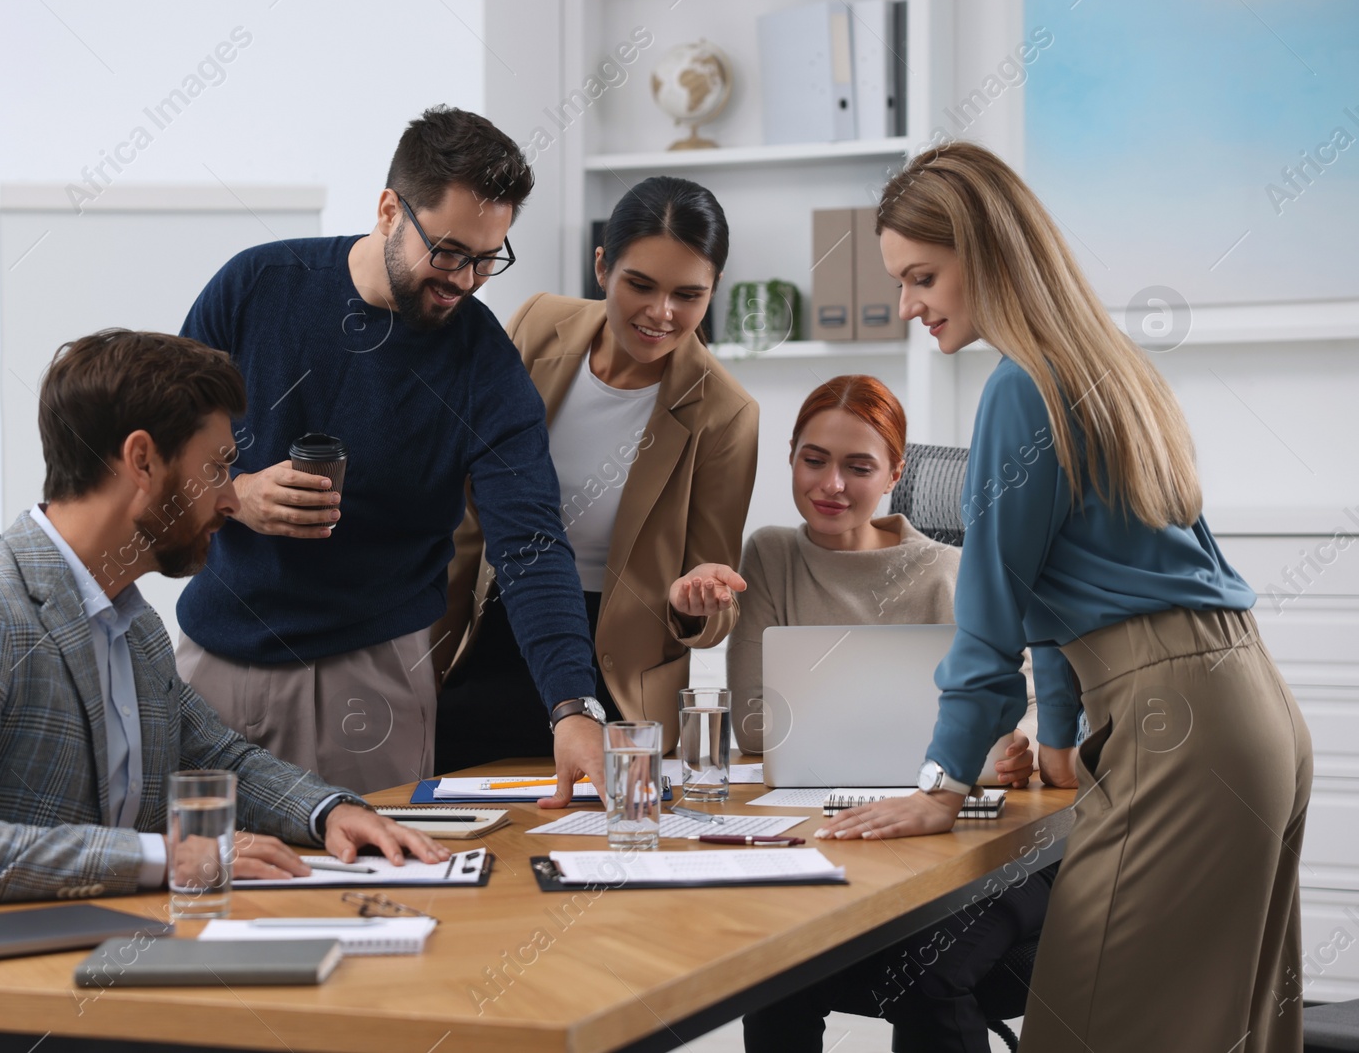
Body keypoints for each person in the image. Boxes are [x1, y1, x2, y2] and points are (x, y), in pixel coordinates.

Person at [818, 142, 1312, 1052]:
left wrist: (941, 784)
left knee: (1089, 1031)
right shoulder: (1107, 368)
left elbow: (994, 601)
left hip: (1182, 727)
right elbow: (1064, 581)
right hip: (1251, 707)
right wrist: (1056, 741)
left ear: (988, 249)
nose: (910, 305)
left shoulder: (1019, 386)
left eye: (922, 275)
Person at [0, 330, 446, 923]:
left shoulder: (133, 625)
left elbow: (215, 754)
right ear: (142, 461)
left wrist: (329, 812)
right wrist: (170, 858)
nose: (231, 500)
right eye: (217, 469)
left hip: (82, 952)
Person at [171, 106, 604, 802]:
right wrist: (235, 495)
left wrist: (572, 706)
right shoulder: (254, 286)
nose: (467, 280)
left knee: (372, 897)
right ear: (388, 210)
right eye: (451, 251)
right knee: (197, 888)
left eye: (489, 258)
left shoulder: (483, 365)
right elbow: (161, 455)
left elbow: (529, 542)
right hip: (212, 663)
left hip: (369, 682)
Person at [702, 374, 1044, 1051]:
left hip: (960, 843)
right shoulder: (771, 553)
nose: (831, 484)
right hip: (832, 832)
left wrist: (1020, 744)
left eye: (858, 466)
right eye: (814, 459)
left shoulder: (952, 568)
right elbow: (756, 725)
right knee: (777, 961)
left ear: (895, 471)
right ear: (792, 457)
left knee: (927, 973)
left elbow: (1024, 702)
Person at [433, 176, 758, 767]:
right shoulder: (537, 324)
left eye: (688, 294)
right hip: (496, 626)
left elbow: (715, 602)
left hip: (617, 679)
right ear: (603, 266)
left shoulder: (726, 413)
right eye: (640, 285)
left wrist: (697, 602)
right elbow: (469, 496)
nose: (661, 313)